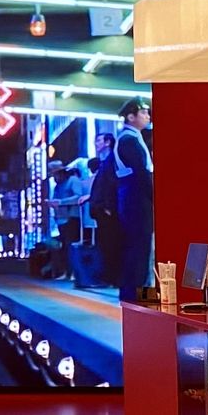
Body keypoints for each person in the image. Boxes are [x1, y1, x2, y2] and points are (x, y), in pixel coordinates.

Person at [114, 99, 154, 303]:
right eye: (143, 113)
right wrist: (154, 196)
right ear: (131, 117)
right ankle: (139, 296)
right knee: (140, 248)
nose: (147, 116)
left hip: (131, 196)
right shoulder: (129, 139)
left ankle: (134, 294)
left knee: (136, 247)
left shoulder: (130, 137)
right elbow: (141, 172)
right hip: (136, 197)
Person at [84, 130, 119, 291]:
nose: (96, 144)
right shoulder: (105, 162)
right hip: (100, 210)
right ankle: (108, 277)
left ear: (107, 142)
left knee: (110, 244)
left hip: (107, 211)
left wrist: (108, 207)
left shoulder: (112, 160)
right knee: (104, 244)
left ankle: (112, 278)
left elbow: (112, 185)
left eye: (99, 141)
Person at [50, 158, 89, 281]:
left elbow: (78, 197)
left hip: (72, 217)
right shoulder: (57, 186)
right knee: (64, 247)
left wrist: (61, 202)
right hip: (61, 219)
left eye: (55, 174)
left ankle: (74, 272)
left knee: (71, 245)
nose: (54, 177)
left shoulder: (73, 180)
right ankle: (66, 271)